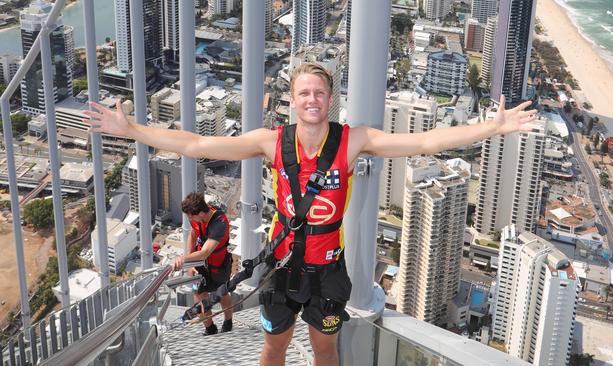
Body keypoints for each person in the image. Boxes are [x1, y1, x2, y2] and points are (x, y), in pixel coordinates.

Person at [84, 63, 537, 365]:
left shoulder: (352, 140)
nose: (312, 99)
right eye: (304, 92)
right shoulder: (271, 141)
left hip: (327, 269)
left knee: (325, 349)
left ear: (330, 99)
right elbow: (200, 145)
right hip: (283, 265)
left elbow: (424, 143)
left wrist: (492, 127)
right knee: (274, 344)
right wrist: (134, 131)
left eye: (320, 92)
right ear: (293, 99)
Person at [173, 192, 234, 335]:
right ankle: (210, 327)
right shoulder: (195, 217)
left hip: (218, 266)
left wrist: (184, 258)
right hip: (201, 264)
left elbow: (206, 251)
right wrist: (191, 263)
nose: (189, 218)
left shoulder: (219, 223)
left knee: (222, 294)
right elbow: (193, 234)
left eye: (190, 216)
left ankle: (228, 321)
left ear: (200, 213)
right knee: (198, 297)